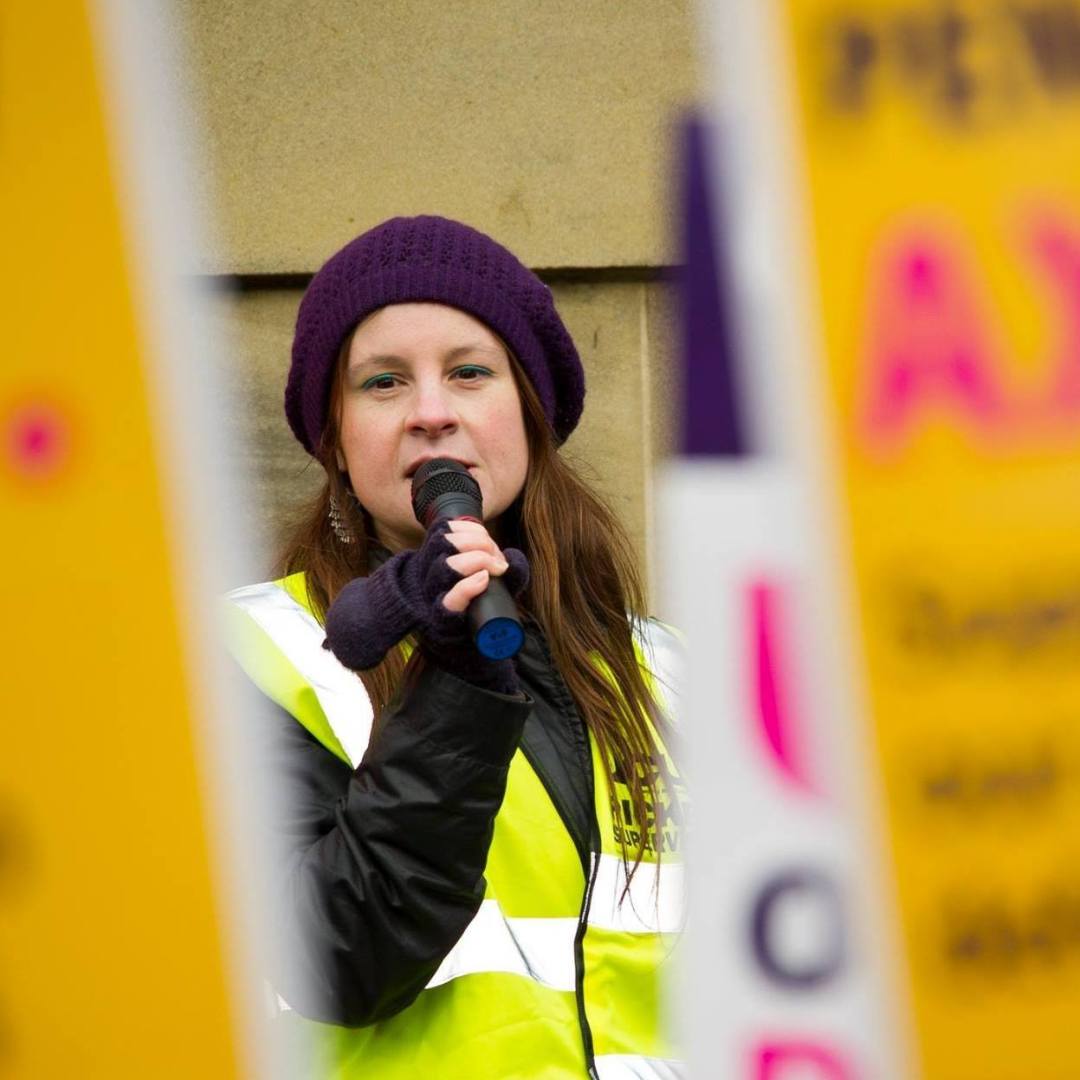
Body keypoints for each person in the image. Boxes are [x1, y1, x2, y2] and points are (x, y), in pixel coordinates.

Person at [225, 215, 685, 1079]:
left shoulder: (675, 672)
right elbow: (335, 961)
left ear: (530, 413)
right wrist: (456, 689)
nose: (431, 413)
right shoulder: (251, 656)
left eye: (470, 372)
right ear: (335, 439)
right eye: (384, 383)